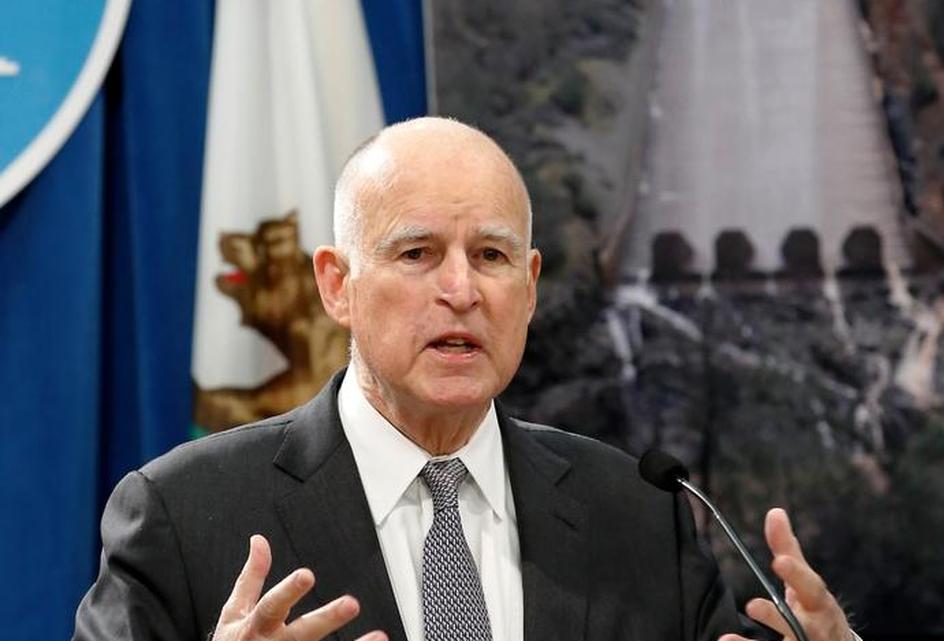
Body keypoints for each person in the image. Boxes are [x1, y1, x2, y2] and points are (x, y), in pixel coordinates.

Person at [73, 117, 856, 641]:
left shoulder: (638, 511)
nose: (462, 290)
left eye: (490, 255)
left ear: (530, 284)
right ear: (336, 284)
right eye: (416, 254)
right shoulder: (184, 515)